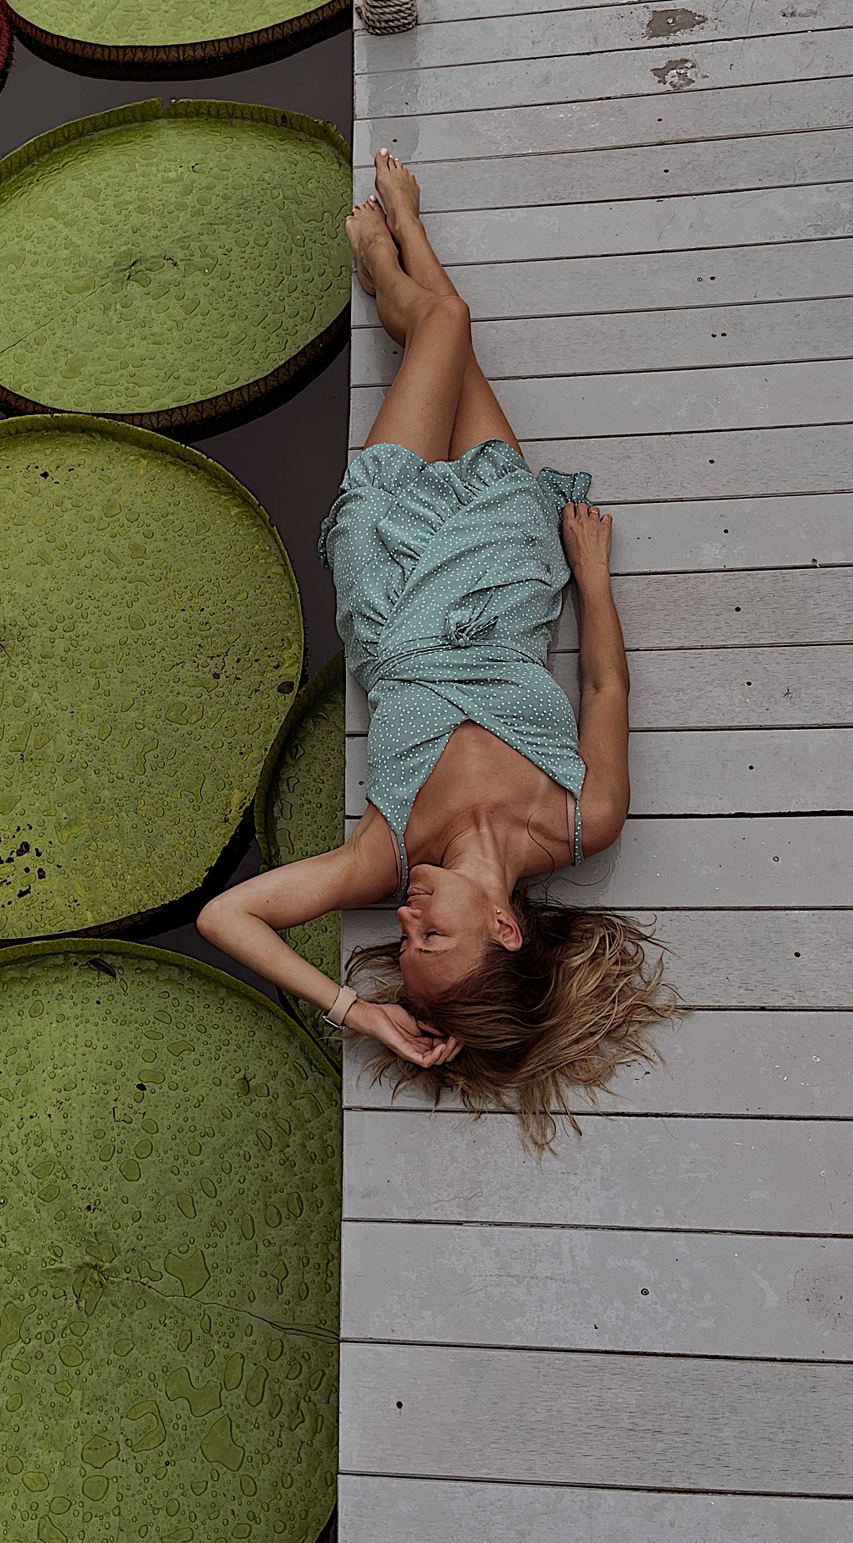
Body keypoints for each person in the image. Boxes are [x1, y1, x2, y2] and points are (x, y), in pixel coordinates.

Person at [198, 151, 676, 1150]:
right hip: (509, 571)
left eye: (403, 940)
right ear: (504, 926)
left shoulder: (385, 854)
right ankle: (397, 255)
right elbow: (601, 685)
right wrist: (591, 575)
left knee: (447, 327)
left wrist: (354, 1010)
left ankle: (392, 257)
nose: (406, 919)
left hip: (391, 567)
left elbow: (226, 917)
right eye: (433, 934)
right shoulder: (584, 818)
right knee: (453, 351)